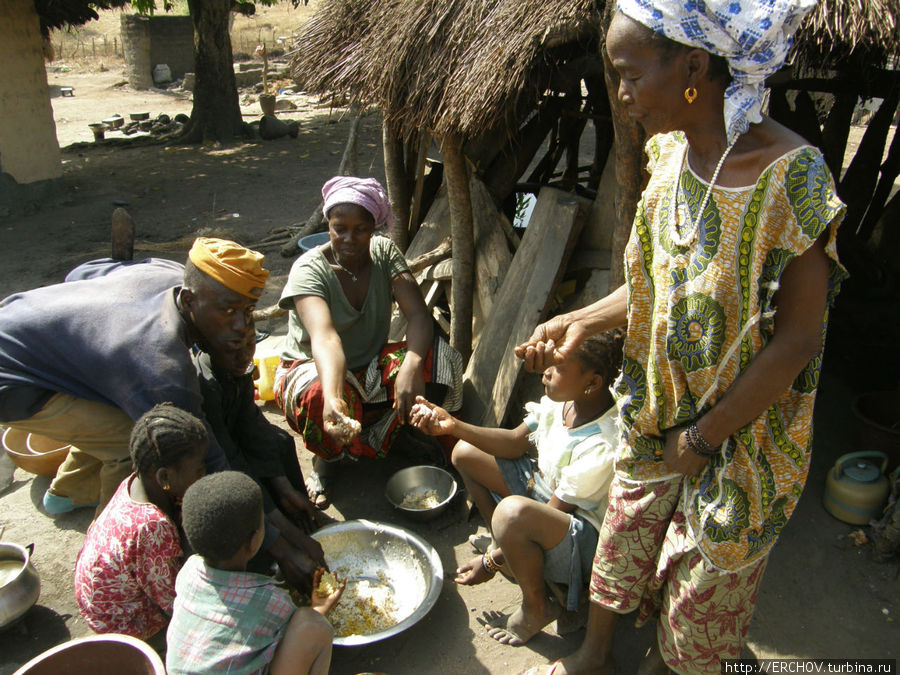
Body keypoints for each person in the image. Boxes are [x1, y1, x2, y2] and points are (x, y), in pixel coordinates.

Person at [516, 1, 846, 673]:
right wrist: (576, 321)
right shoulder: (668, 156)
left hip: (746, 439)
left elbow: (800, 339)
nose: (622, 93)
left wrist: (705, 436)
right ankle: (596, 650)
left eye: (631, 74)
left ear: (695, 66)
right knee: (624, 533)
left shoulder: (794, 177)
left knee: (704, 596)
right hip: (658, 407)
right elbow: (653, 281)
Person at [0, 237, 267, 514]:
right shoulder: (158, 361)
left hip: (16, 318)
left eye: (247, 311)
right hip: (11, 376)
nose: (241, 326)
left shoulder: (173, 275)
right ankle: (114, 542)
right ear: (189, 300)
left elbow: (78, 274)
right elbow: (207, 457)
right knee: (140, 441)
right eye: (228, 311)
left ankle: (69, 492)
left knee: (118, 403)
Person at [411, 332, 624, 647]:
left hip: (580, 539)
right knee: (464, 453)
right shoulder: (563, 401)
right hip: (544, 497)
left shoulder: (602, 442)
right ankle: (513, 553)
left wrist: (489, 562)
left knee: (510, 515)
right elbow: (513, 444)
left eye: (557, 367)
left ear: (591, 383)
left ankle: (536, 606)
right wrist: (453, 426)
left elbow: (554, 510)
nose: (546, 372)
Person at [275, 176, 464, 507]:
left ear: (373, 228)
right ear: (327, 226)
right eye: (339, 228)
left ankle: (402, 434)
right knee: (322, 396)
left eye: (360, 229)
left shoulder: (383, 252)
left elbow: (419, 317)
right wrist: (334, 397)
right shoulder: (308, 270)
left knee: (441, 357)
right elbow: (324, 337)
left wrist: (412, 365)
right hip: (313, 369)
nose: (349, 238)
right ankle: (328, 462)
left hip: (367, 365)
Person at [166, 471, 342, 675]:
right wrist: (319, 608)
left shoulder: (188, 571)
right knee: (312, 624)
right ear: (253, 541)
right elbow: (296, 638)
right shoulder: (269, 599)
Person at [194, 328, 327, 578]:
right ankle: (270, 543)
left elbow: (250, 422)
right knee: (244, 481)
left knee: (281, 442)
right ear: (208, 347)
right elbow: (227, 453)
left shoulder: (240, 368)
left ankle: (298, 516)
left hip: (236, 434)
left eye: (250, 344)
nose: (244, 356)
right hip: (215, 451)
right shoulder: (206, 386)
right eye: (233, 350)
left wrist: (284, 487)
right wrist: (284, 531)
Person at [74, 403, 208, 640]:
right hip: (120, 623)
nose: (204, 475)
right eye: (198, 470)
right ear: (164, 477)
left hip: (98, 598)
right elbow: (173, 602)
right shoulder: (152, 526)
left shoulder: (134, 482)